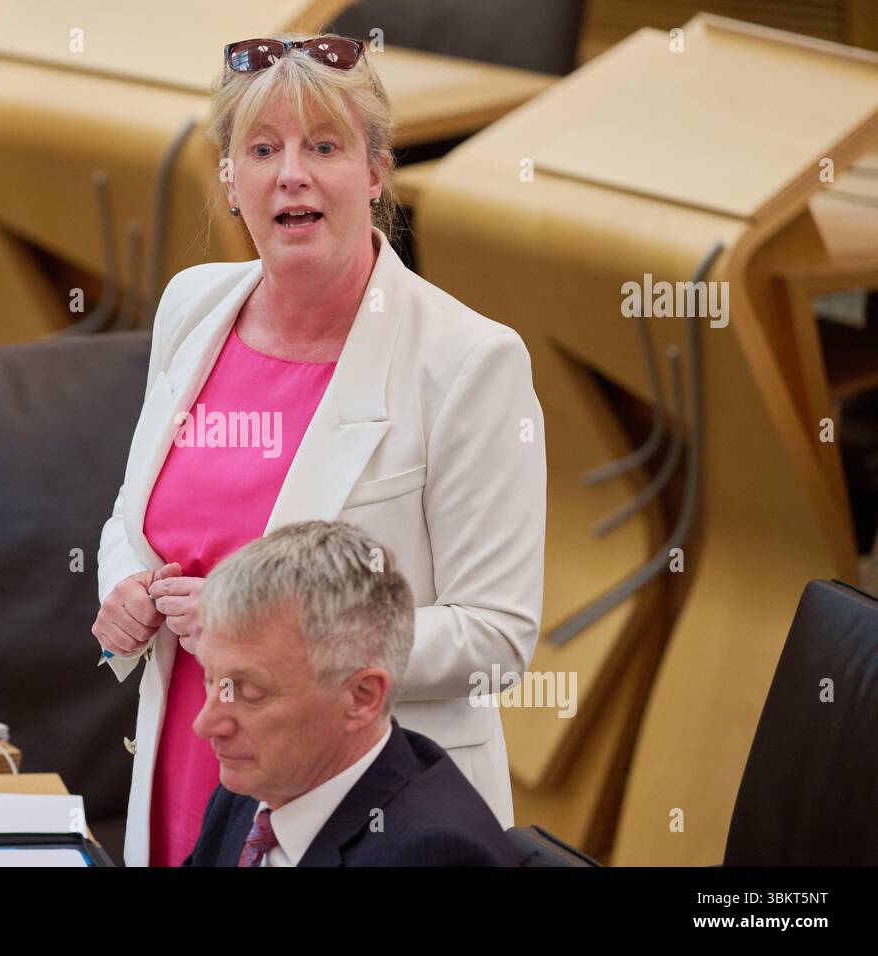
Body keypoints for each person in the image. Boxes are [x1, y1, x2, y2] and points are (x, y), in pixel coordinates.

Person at [92, 33, 546, 867]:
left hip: (371, 817)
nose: (290, 173)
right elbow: (135, 517)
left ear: (374, 173)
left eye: (324, 147)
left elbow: (497, 635)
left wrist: (292, 647)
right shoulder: (191, 306)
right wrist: (123, 581)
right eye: (262, 149)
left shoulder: (468, 361)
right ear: (230, 180)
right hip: (191, 756)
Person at [185, 521, 517, 867]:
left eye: (251, 692)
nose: (206, 724)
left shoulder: (433, 855)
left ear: (362, 697)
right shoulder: (257, 782)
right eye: (211, 679)